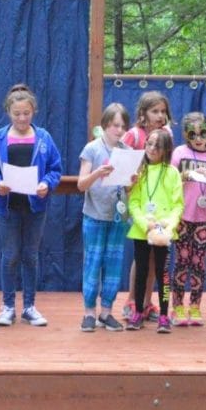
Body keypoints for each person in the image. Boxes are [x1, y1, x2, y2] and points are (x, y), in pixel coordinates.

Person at [0, 84, 63, 327]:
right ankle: (8, 306)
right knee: (10, 256)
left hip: (35, 207)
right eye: (16, 113)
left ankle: (29, 306)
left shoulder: (44, 138)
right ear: (8, 112)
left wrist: (46, 184)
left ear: (33, 112)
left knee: (30, 255)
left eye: (26, 113)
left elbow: (55, 169)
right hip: (8, 207)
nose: (21, 118)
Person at [77, 102, 134, 332]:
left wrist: (133, 181)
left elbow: (129, 188)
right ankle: (89, 312)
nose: (118, 130)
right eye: (114, 125)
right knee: (93, 263)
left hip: (118, 217)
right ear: (105, 125)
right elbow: (81, 184)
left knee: (114, 264)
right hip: (94, 215)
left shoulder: (128, 152)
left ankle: (107, 312)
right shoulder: (92, 148)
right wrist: (97, 173)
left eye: (122, 126)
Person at [121, 90, 172, 321]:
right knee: (141, 257)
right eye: (155, 111)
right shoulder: (132, 135)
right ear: (143, 114)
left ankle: (148, 303)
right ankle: (133, 301)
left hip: (160, 208)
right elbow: (119, 162)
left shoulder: (166, 134)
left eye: (163, 111)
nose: (160, 115)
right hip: (140, 206)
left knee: (156, 257)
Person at [125, 129, 183, 333]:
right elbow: (133, 202)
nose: (150, 148)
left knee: (163, 274)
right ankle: (138, 312)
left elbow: (177, 205)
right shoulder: (139, 171)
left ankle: (165, 316)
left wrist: (167, 224)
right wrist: (144, 224)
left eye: (156, 146)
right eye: (148, 144)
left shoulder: (172, 173)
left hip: (163, 234)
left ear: (166, 149)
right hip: (142, 232)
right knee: (141, 272)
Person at [169, 112, 206, 326]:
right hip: (182, 215)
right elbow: (170, 183)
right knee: (181, 261)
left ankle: (195, 306)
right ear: (185, 135)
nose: (198, 138)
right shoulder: (179, 153)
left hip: (204, 217)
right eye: (192, 134)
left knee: (198, 262)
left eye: (202, 134)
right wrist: (185, 176)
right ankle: (178, 307)